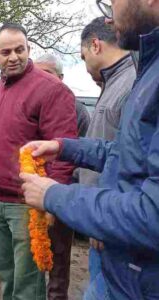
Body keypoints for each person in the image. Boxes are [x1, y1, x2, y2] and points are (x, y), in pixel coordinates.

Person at [20, 0, 159, 298]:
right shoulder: (145, 71)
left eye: (112, 3)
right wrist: (64, 147)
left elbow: (153, 215)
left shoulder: (140, 76)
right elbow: (125, 155)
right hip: (121, 265)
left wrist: (53, 195)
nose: (109, 17)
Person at [0, 23, 78, 300]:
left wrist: (52, 200)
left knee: (28, 286)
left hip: (27, 206)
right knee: (7, 276)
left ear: (29, 49)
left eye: (20, 49)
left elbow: (63, 151)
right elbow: (5, 134)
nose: (13, 56)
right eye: (6, 51)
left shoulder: (51, 89)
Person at [79, 16, 137, 299]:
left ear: (95, 45)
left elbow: (128, 163)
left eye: (83, 56)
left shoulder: (131, 83)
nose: (84, 63)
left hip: (111, 225)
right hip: (101, 217)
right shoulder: (112, 82)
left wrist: (104, 219)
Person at [34, 53, 90, 300]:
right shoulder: (31, 101)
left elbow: (83, 156)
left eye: (47, 74)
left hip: (61, 194)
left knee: (58, 258)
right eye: (38, 74)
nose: (41, 80)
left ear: (61, 77)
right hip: (31, 193)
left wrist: (60, 191)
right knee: (32, 254)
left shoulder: (75, 108)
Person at [35, 54, 91, 137]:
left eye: (47, 74)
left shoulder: (76, 110)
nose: (41, 78)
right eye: (36, 74)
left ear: (60, 77)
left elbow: (82, 145)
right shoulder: (23, 103)